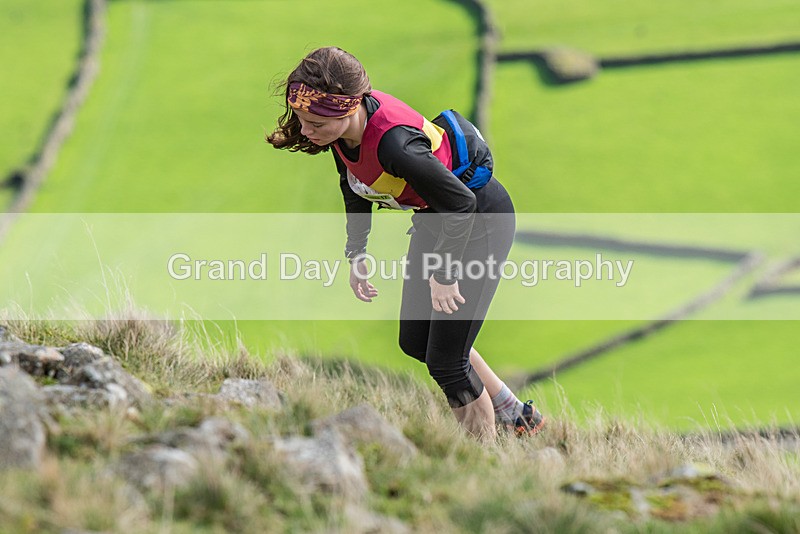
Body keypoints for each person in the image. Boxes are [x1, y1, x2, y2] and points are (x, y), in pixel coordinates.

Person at [268, 46, 545, 440]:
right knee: (415, 340)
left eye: (315, 123)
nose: (306, 130)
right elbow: (353, 185)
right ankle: (515, 415)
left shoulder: (395, 145)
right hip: (438, 223)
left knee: (447, 363)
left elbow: (462, 204)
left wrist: (445, 274)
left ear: (348, 108)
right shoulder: (344, 134)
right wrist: (356, 253)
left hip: (479, 224)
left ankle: (484, 458)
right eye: (300, 119)